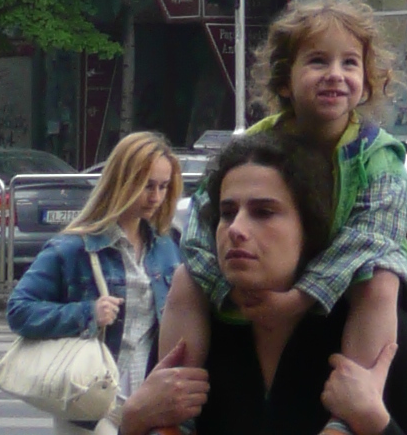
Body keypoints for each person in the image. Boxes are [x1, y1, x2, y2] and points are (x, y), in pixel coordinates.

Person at [158, 0, 407, 435]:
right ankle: (177, 406)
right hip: (261, 297)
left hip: (352, 285)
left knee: (381, 276)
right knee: (183, 279)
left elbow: (369, 239)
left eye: (350, 63)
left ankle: (350, 408)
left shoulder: (379, 154)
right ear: (285, 81)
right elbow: (198, 232)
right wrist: (234, 295)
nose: (335, 75)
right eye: (316, 61)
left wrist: (297, 300)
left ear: (367, 82)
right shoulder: (252, 146)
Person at [118, 136, 387, 435]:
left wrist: (377, 423)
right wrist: (132, 421)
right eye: (227, 213)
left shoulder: (365, 322)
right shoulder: (193, 319)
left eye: (264, 212)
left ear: (309, 228)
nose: (236, 229)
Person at [7, 130, 182, 412]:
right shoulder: (74, 247)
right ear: (121, 182)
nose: (156, 197)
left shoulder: (166, 246)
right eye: (147, 186)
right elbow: (19, 310)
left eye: (164, 187)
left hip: (147, 400)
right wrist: (88, 313)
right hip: (91, 397)